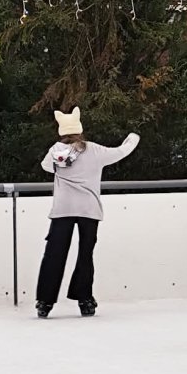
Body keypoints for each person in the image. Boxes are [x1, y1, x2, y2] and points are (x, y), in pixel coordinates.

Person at [36, 107, 140, 319]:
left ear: (61, 131)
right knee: (85, 254)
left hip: (63, 209)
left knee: (54, 253)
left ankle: (45, 301)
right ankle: (85, 300)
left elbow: (46, 166)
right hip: (89, 209)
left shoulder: (56, 151)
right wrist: (132, 138)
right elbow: (120, 152)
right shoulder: (93, 150)